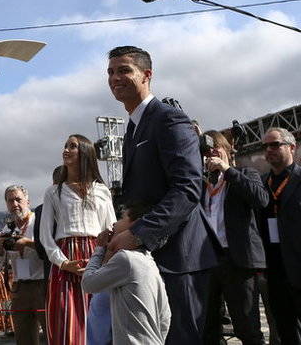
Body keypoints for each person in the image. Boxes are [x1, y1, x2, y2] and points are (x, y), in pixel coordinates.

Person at [106, 46, 216, 345]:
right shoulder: (131, 130)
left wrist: (138, 233)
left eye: (124, 70)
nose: (115, 77)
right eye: (111, 72)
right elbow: (146, 193)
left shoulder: (169, 120)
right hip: (152, 258)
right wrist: (125, 223)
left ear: (147, 75)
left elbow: (187, 188)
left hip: (181, 259)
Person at [40, 135, 116, 345]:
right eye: (65, 145)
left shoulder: (101, 190)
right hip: (65, 260)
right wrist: (63, 263)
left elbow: (111, 227)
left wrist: (105, 258)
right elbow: (45, 235)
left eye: (72, 146)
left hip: (96, 257)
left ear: (84, 152)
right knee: (67, 324)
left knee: (99, 321)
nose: (66, 149)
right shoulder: (54, 192)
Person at [201, 130, 267, 345]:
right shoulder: (202, 184)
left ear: (228, 151)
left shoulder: (245, 173)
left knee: (246, 327)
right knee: (208, 326)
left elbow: (261, 200)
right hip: (209, 260)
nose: (211, 155)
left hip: (238, 260)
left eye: (216, 149)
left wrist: (227, 170)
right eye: (206, 152)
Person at [82, 202, 171, 345]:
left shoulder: (126, 259)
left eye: (122, 218)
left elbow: (88, 283)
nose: (114, 223)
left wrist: (99, 248)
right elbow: (165, 317)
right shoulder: (149, 260)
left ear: (134, 225)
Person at [258, 127, 301, 344]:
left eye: (274, 144)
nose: (269, 149)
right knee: (285, 331)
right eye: (265, 146)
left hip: (298, 267)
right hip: (274, 272)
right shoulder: (261, 183)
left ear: (292, 147)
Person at [0, 185, 47, 345]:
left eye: (18, 199)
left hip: (42, 285)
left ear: (28, 201)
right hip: (19, 288)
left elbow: (50, 250)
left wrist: (28, 243)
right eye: (10, 201)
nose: (15, 204)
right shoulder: (8, 228)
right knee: (23, 338)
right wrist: (0, 247)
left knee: (52, 333)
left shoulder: (39, 221)